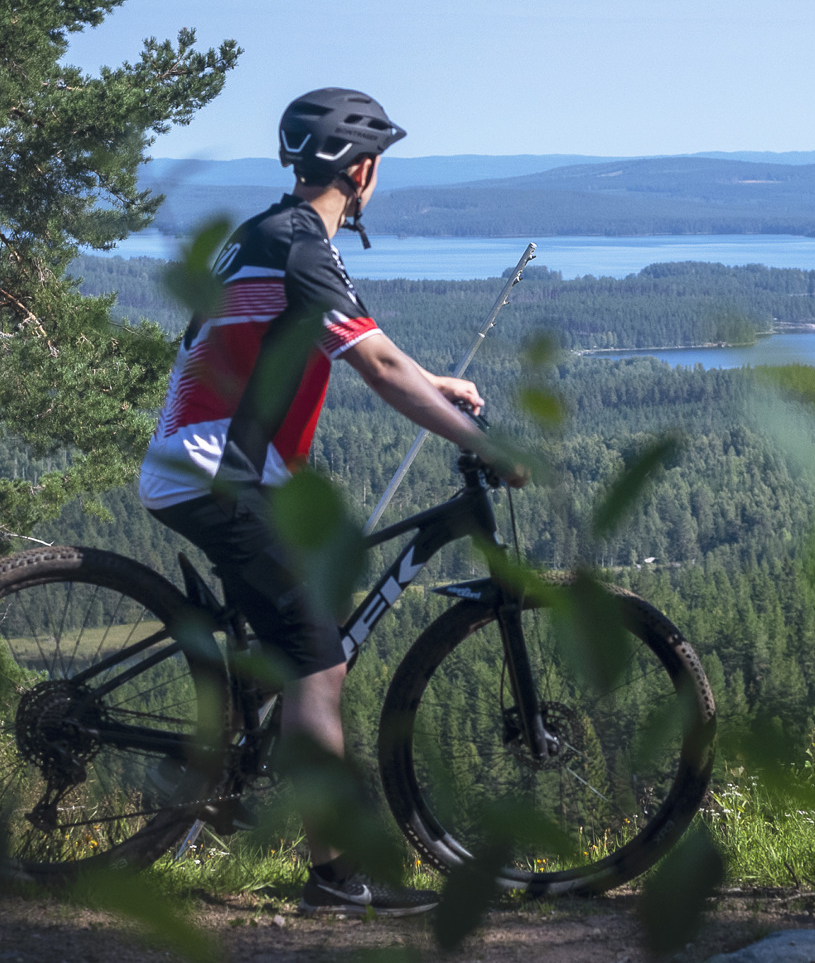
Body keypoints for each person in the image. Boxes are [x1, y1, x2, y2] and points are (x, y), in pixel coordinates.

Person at [137, 88, 526, 917]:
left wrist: (438, 384)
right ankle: (337, 878)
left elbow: (371, 344)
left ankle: (233, 760)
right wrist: (483, 445)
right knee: (322, 663)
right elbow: (377, 371)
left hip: (210, 467)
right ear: (364, 169)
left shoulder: (272, 231)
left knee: (300, 631)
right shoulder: (304, 247)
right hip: (219, 476)